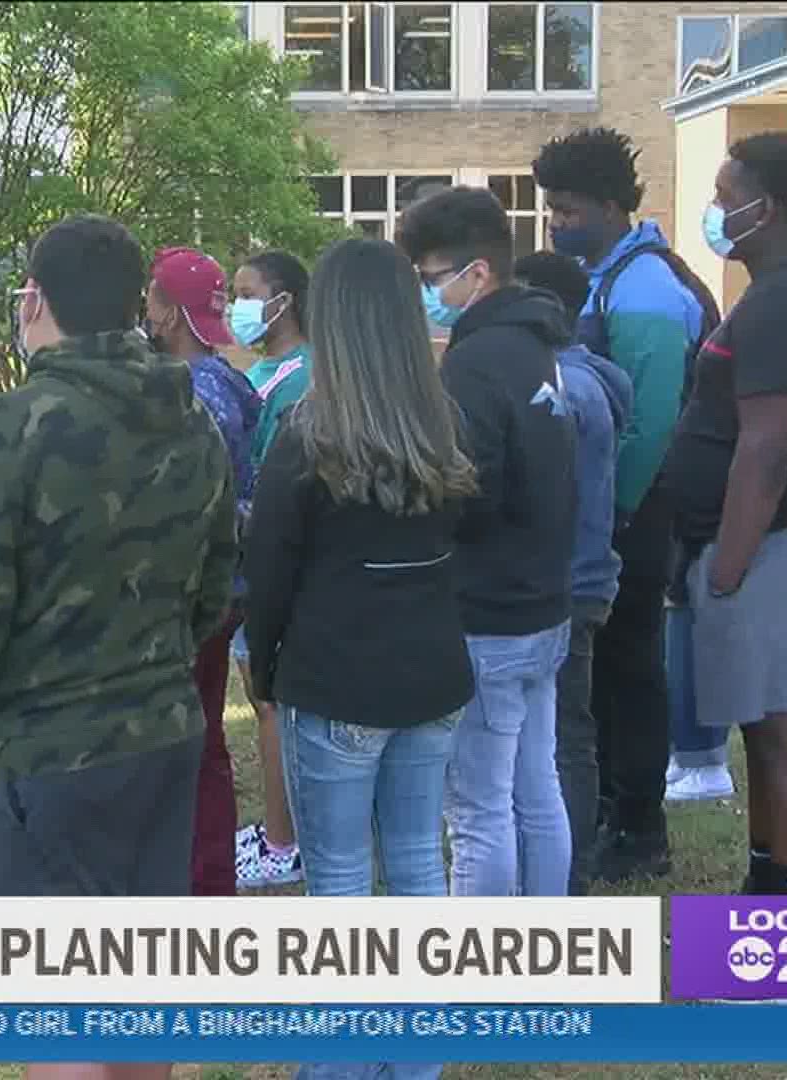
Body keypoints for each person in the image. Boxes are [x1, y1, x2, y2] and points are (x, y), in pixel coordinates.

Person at [0, 213, 236, 905]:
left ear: (33, 299)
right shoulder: (194, 420)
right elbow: (215, 588)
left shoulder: (8, 429)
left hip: (40, 756)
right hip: (160, 737)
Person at [245, 241, 477, 1001]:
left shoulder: (308, 435)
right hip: (429, 673)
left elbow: (269, 572)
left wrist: (267, 671)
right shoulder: (445, 425)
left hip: (339, 681)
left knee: (340, 881)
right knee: (417, 864)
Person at [657, 132, 787, 896]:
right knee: (766, 731)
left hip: (771, 544)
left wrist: (729, 568)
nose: (714, 211)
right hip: (774, 540)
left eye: (722, 195)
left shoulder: (784, 301)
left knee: (783, 731)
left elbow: (766, 450)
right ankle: (766, 892)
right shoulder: (783, 291)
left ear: (764, 208)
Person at [532, 126, 718, 881]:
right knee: (609, 671)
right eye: (550, 209)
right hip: (622, 515)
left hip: (639, 517)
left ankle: (639, 826)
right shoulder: (612, 276)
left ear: (611, 206)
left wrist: (614, 520)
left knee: (628, 670)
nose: (555, 224)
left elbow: (652, 424)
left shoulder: (643, 289)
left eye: (566, 209)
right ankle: (616, 807)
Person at [397, 187, 577, 898]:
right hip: (543, 605)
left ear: (477, 273)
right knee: (537, 789)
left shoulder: (473, 364)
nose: (424, 292)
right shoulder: (540, 349)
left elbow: (467, 493)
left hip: (486, 615)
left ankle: (483, 983)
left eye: (431, 275)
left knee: (476, 811)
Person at [514, 251, 634, 896]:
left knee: (562, 738)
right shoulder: (597, 378)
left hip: (562, 584)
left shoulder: (559, 387)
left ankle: (566, 876)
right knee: (565, 732)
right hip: (588, 579)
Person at [145, 246, 261, 898]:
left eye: (151, 300)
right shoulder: (228, 380)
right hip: (224, 594)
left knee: (186, 748)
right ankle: (207, 879)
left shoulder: (190, 393)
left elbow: (193, 509)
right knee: (206, 742)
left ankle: (197, 883)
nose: (144, 311)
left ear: (169, 313)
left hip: (189, 602)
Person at [227, 250, 312, 891]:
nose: (238, 305)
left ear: (283, 301)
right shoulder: (261, 371)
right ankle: (281, 829)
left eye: (246, 292)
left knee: (270, 704)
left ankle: (285, 844)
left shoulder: (303, 377)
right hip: (247, 556)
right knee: (262, 702)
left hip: (274, 563)